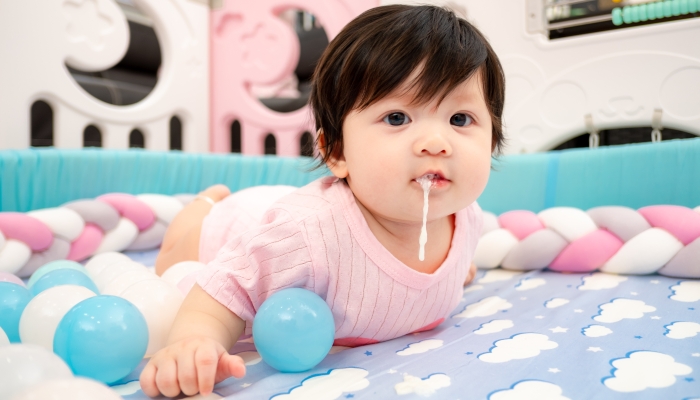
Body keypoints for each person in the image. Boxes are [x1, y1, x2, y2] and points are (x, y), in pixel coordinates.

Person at [140, 4, 505, 397]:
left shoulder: (466, 218)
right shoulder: (304, 234)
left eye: (460, 119)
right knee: (177, 253)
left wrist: (455, 267)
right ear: (336, 152)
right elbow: (223, 289)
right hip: (233, 226)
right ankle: (204, 204)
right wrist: (193, 342)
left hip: (279, 210)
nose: (436, 143)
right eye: (398, 117)